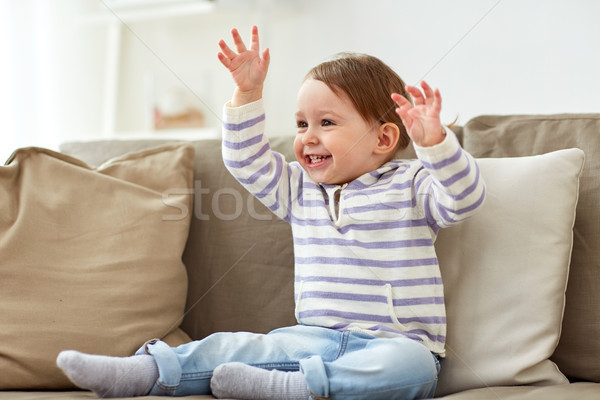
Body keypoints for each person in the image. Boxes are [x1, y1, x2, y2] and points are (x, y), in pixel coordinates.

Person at [57, 26, 485, 400]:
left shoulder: (412, 185)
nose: (308, 138)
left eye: (327, 123)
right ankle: (142, 373)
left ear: (383, 138)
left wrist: (436, 145)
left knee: (408, 369)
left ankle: (300, 389)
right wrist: (247, 94)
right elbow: (245, 161)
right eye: (301, 124)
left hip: (396, 344)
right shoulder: (299, 187)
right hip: (309, 340)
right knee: (232, 348)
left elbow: (463, 197)